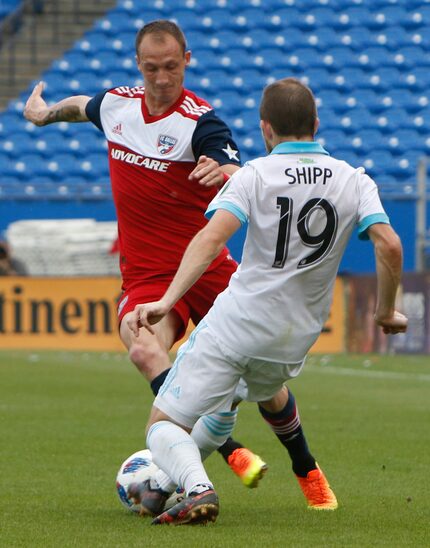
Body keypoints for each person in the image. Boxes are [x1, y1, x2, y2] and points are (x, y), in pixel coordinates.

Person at [128, 77, 408, 525]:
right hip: (296, 338)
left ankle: (198, 488)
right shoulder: (356, 181)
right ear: (316, 124)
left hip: (239, 322)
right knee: (226, 403)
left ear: (265, 129)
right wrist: (384, 311)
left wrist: (168, 299)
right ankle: (164, 486)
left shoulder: (255, 174)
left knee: (162, 423)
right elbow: (390, 245)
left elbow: (210, 238)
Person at [23, 19, 267, 487]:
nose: (161, 78)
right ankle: (229, 454)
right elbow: (81, 107)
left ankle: (308, 468)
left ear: (187, 61)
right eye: (152, 68)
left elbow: (236, 167)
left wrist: (223, 171)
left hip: (208, 270)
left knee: (267, 381)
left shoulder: (201, 121)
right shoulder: (118, 105)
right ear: (138, 64)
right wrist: (44, 113)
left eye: (171, 67)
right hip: (149, 279)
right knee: (142, 346)